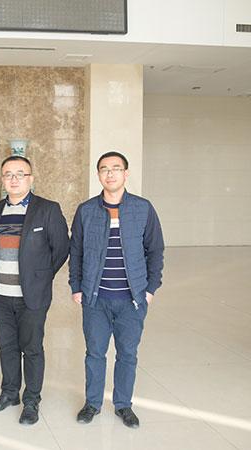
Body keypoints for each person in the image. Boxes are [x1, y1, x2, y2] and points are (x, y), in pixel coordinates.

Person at [69, 151, 164, 428]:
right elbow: (76, 252)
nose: (110, 174)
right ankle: (92, 403)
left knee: (127, 355)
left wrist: (150, 289)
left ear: (126, 173)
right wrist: (76, 287)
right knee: (95, 354)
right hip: (95, 299)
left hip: (132, 300)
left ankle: (123, 405)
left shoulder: (143, 208)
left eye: (116, 168)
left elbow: (155, 250)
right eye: (104, 169)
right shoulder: (86, 210)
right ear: (98, 174)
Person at [0, 155, 69, 425]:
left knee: (31, 349)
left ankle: (31, 400)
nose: (14, 179)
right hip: (1, 295)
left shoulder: (47, 209)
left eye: (20, 174)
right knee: (7, 347)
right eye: (8, 174)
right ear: (2, 179)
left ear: (30, 178)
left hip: (32, 296)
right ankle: (10, 393)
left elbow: (61, 249)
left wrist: (40, 277)